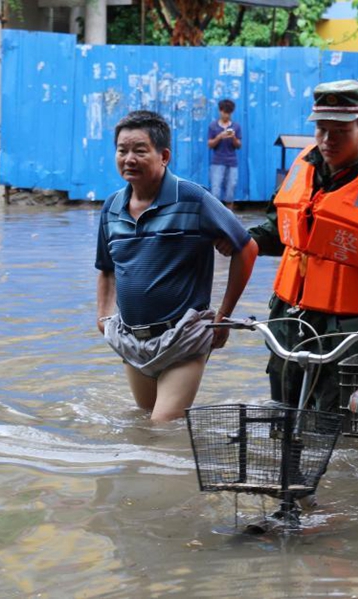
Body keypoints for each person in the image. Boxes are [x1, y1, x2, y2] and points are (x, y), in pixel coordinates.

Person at [246, 80, 358, 413]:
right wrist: (246, 240)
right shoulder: (305, 166)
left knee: (335, 423)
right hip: (289, 321)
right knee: (282, 414)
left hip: (347, 330)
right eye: (322, 129)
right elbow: (281, 228)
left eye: (340, 131)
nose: (328, 140)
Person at [96, 110, 258, 422]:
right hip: (132, 339)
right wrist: (102, 316)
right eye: (122, 150)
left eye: (140, 150)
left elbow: (247, 248)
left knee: (162, 426)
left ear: (164, 155)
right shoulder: (112, 207)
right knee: (143, 423)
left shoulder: (193, 198)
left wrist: (223, 317)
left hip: (183, 337)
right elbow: (106, 268)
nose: (129, 158)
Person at [207, 98, 242, 205]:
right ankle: (215, 217)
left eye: (229, 113)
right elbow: (209, 145)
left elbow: (239, 146)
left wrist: (234, 138)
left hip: (232, 162)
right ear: (220, 111)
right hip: (217, 161)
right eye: (224, 112)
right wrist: (219, 137)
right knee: (215, 190)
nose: (226, 115)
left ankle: (229, 216)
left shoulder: (236, 127)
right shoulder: (213, 126)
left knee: (231, 189)